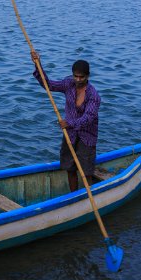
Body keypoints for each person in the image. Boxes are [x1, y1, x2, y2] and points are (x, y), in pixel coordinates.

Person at [31, 50, 101, 192]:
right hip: (70, 134)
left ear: (87, 76)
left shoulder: (93, 95)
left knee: (86, 170)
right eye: (76, 76)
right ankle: (73, 195)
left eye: (81, 77)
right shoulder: (68, 84)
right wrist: (38, 65)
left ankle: (91, 194)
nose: (78, 80)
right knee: (69, 167)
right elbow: (48, 85)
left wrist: (70, 123)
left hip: (86, 136)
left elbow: (88, 118)